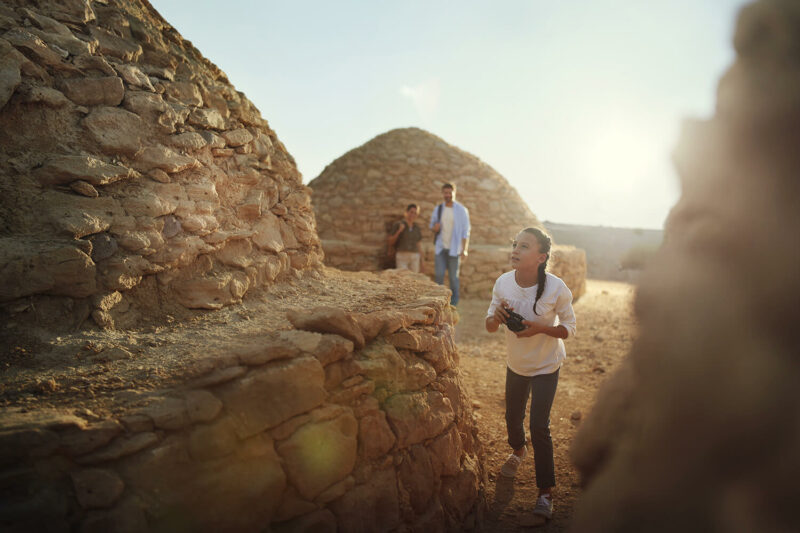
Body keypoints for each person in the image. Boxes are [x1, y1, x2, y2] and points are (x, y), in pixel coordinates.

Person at [484, 227, 576, 524]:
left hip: (547, 364)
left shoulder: (556, 287)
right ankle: (519, 450)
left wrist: (540, 329)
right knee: (512, 417)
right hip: (517, 364)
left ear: (540, 257)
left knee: (539, 424)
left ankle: (546, 492)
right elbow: (489, 324)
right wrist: (496, 318)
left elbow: (568, 329)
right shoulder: (502, 283)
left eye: (523, 246)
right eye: (514, 244)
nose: (515, 249)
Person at [429, 182, 470, 305]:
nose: (447, 195)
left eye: (450, 192)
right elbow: (432, 225)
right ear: (442, 194)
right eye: (445, 193)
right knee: (439, 275)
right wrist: (434, 228)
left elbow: (465, 231)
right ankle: (438, 302)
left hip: (455, 249)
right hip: (441, 248)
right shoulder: (438, 209)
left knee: (453, 278)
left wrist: (465, 249)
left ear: (454, 193)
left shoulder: (462, 210)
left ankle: (454, 303)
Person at [387, 204, 424, 273]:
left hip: (415, 256)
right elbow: (390, 241)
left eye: (415, 213)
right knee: (403, 277)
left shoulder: (416, 227)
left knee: (415, 279)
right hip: (402, 255)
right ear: (406, 212)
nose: (413, 215)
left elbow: (418, 244)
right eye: (411, 212)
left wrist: (422, 261)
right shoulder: (399, 224)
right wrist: (399, 231)